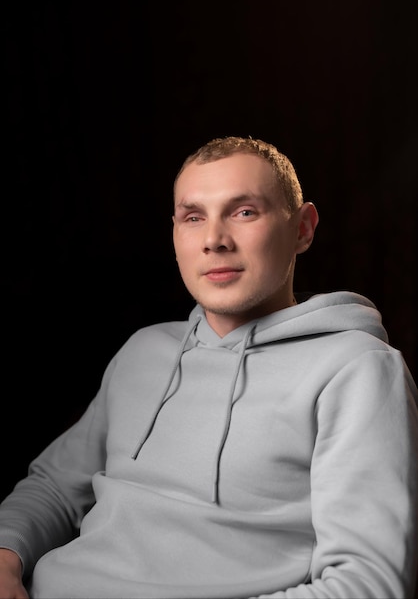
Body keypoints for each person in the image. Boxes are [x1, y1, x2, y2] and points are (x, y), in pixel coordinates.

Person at [0, 136, 417, 599]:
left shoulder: (356, 369)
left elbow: (366, 585)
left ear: (303, 229)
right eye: (194, 217)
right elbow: (53, 488)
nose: (214, 240)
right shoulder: (143, 351)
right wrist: (4, 559)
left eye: (244, 212)